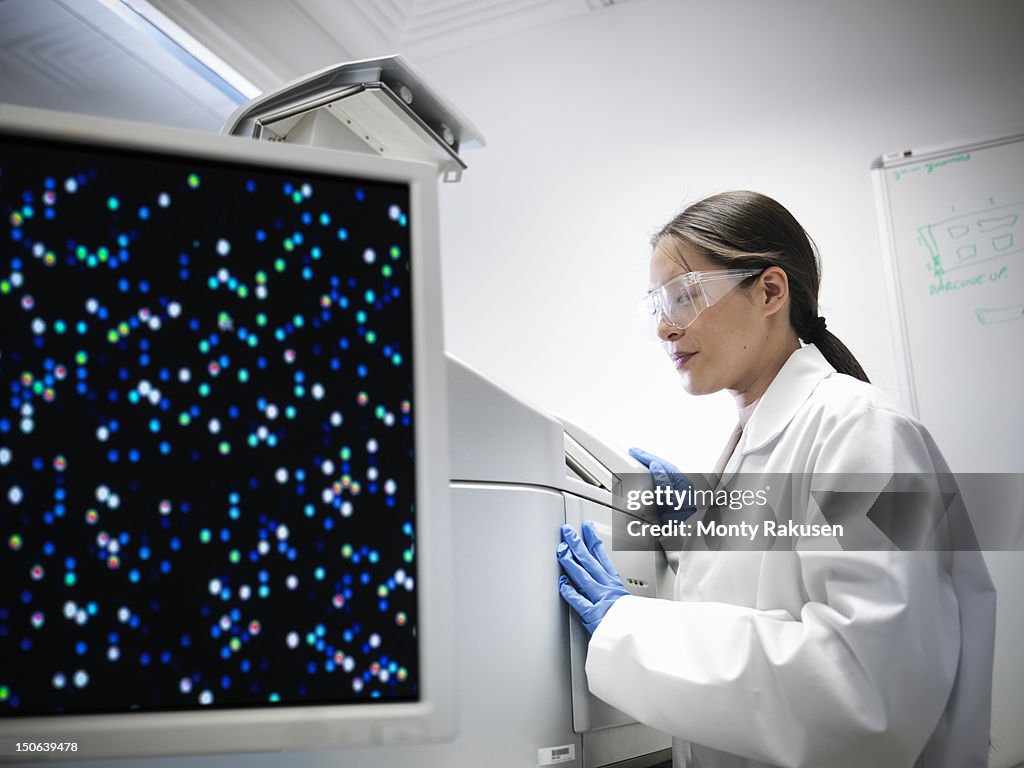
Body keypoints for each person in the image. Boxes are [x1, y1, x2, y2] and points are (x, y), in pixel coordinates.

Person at [556, 191, 995, 768]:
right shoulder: (765, 437)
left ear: (769, 291)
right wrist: (697, 540)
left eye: (685, 297)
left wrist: (630, 627)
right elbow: (772, 599)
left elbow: (866, 695)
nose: (665, 328)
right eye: (656, 307)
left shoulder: (866, 435)